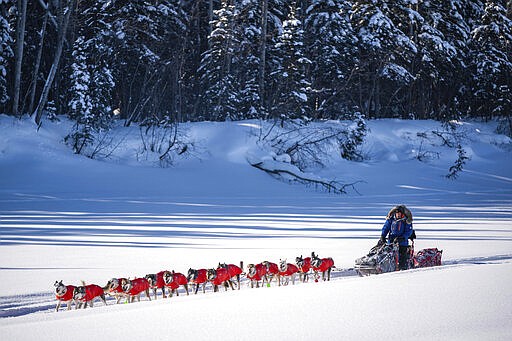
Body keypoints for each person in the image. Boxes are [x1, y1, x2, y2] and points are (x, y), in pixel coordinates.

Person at [377, 205, 414, 270]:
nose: (398, 215)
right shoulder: (391, 219)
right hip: (391, 242)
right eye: (397, 213)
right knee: (384, 253)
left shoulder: (406, 221)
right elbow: (386, 227)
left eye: (399, 213)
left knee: (402, 259)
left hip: (402, 243)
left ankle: (403, 268)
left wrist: (402, 238)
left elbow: (408, 231)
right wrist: (383, 236)